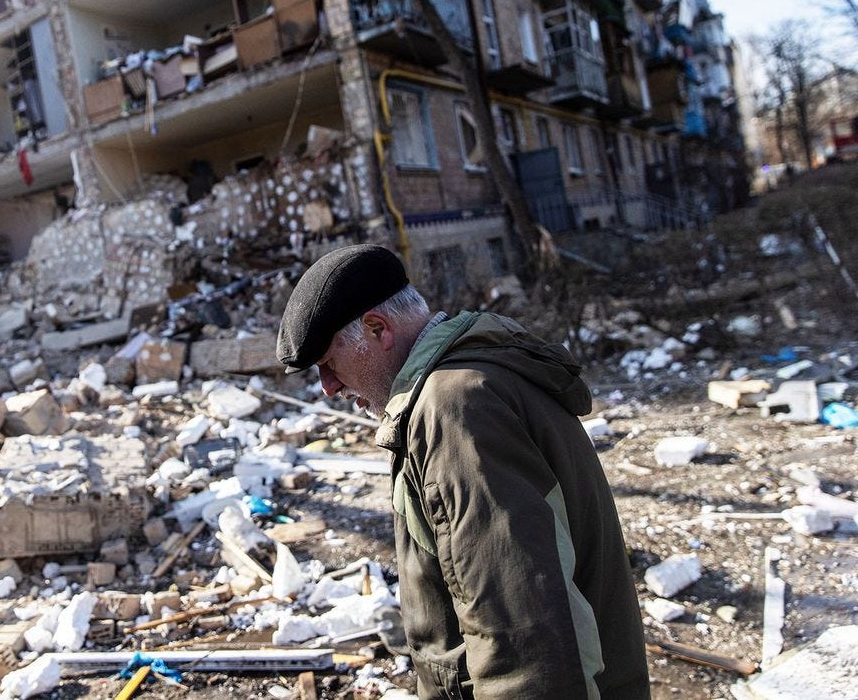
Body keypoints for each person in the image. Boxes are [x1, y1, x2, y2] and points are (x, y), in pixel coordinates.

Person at [276, 244, 649, 700]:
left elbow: (520, 629)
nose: (328, 388)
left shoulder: (453, 408)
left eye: (330, 364)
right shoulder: (468, 383)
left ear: (377, 328)